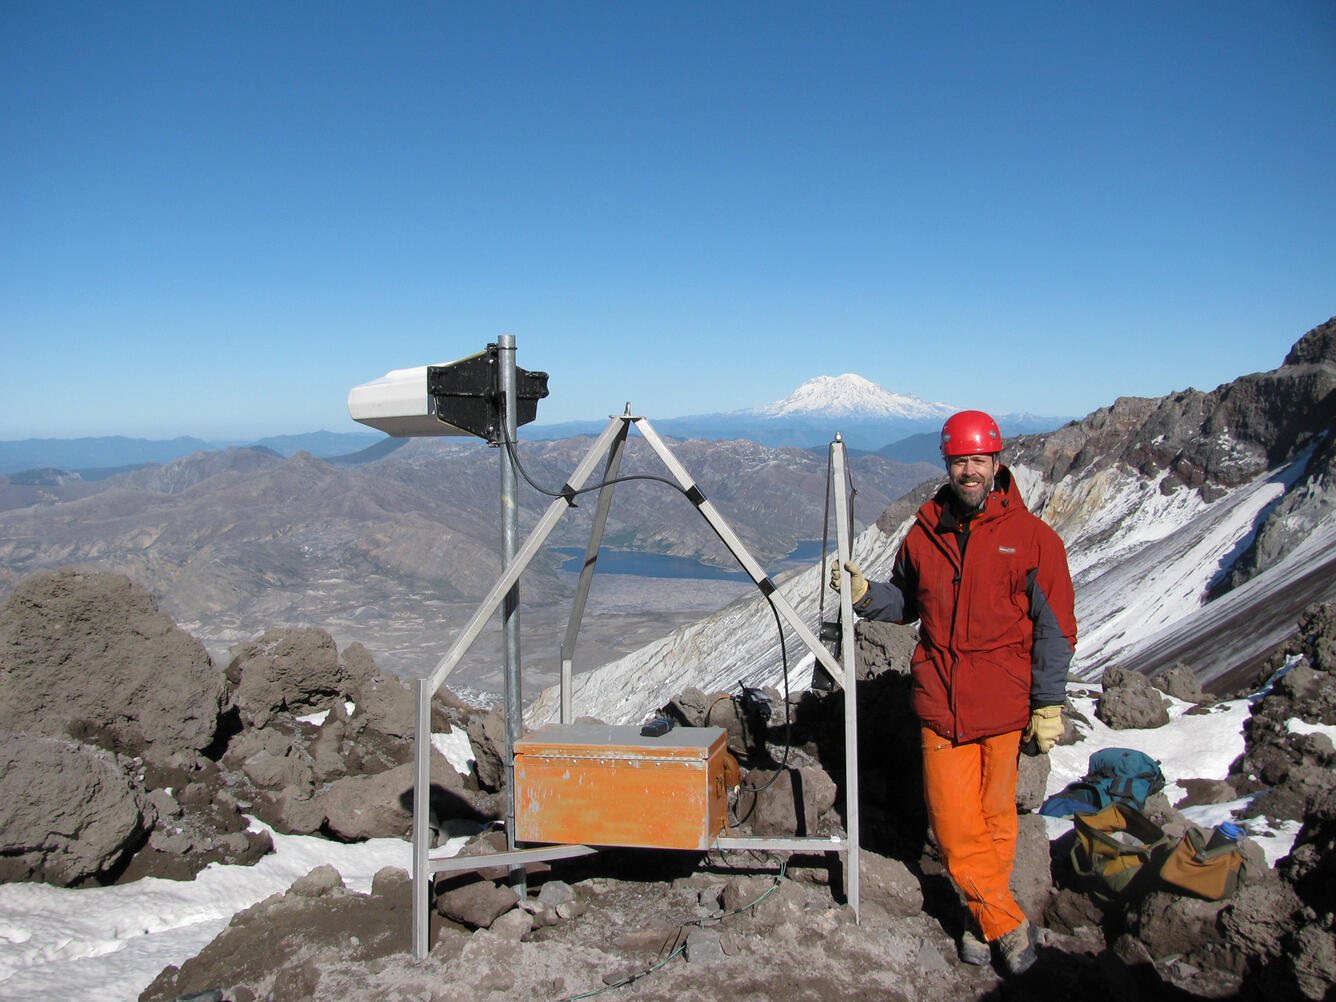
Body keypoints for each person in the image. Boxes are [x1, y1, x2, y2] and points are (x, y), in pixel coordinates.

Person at [830, 409, 1076, 976]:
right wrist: (867, 593)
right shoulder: (923, 536)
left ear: (997, 463)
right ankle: (1008, 926)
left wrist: (1048, 703)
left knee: (995, 822)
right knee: (952, 827)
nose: (969, 471)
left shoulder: (1035, 541)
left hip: (1005, 704)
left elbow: (1055, 630)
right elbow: (907, 605)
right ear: (948, 464)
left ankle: (975, 918)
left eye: (979, 460)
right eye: (960, 461)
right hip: (942, 704)